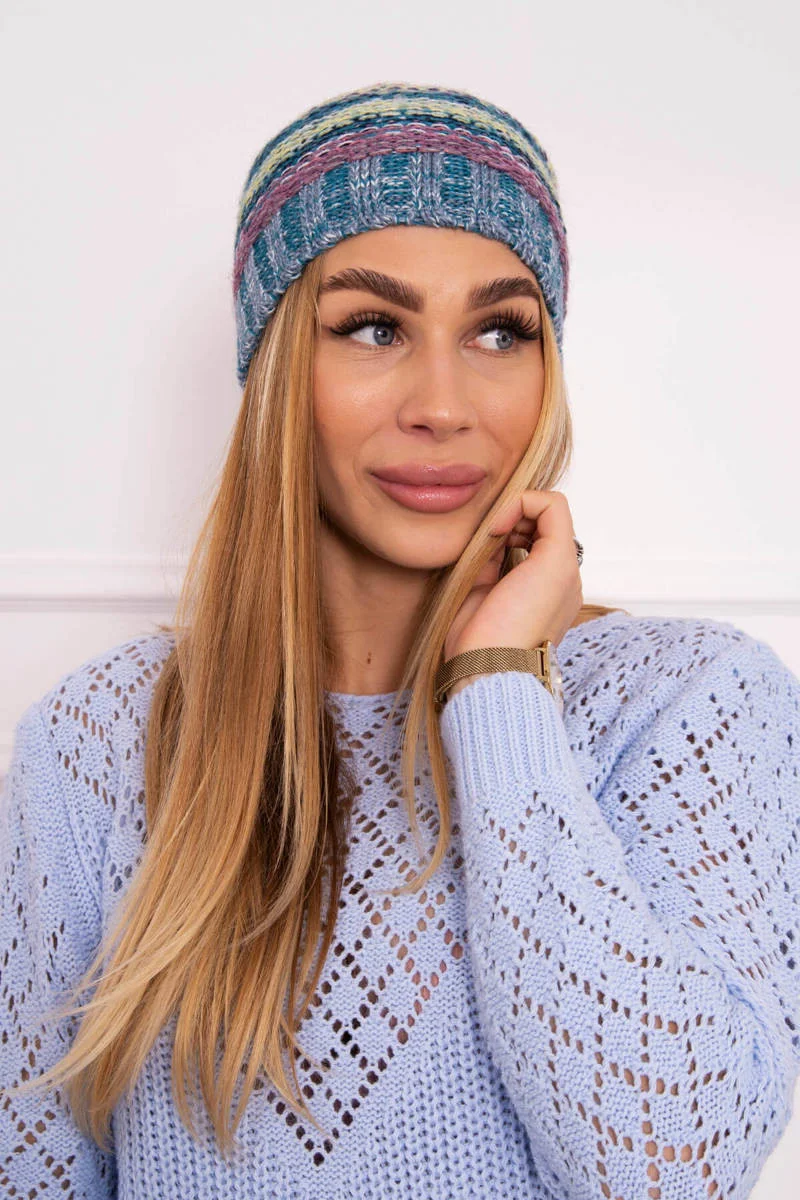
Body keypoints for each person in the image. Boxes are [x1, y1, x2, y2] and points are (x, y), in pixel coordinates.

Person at [1, 81, 798, 1200]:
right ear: (278, 369)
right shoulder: (98, 741)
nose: (443, 403)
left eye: (498, 332)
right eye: (373, 328)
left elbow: (672, 1171)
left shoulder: (690, 702)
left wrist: (499, 686)